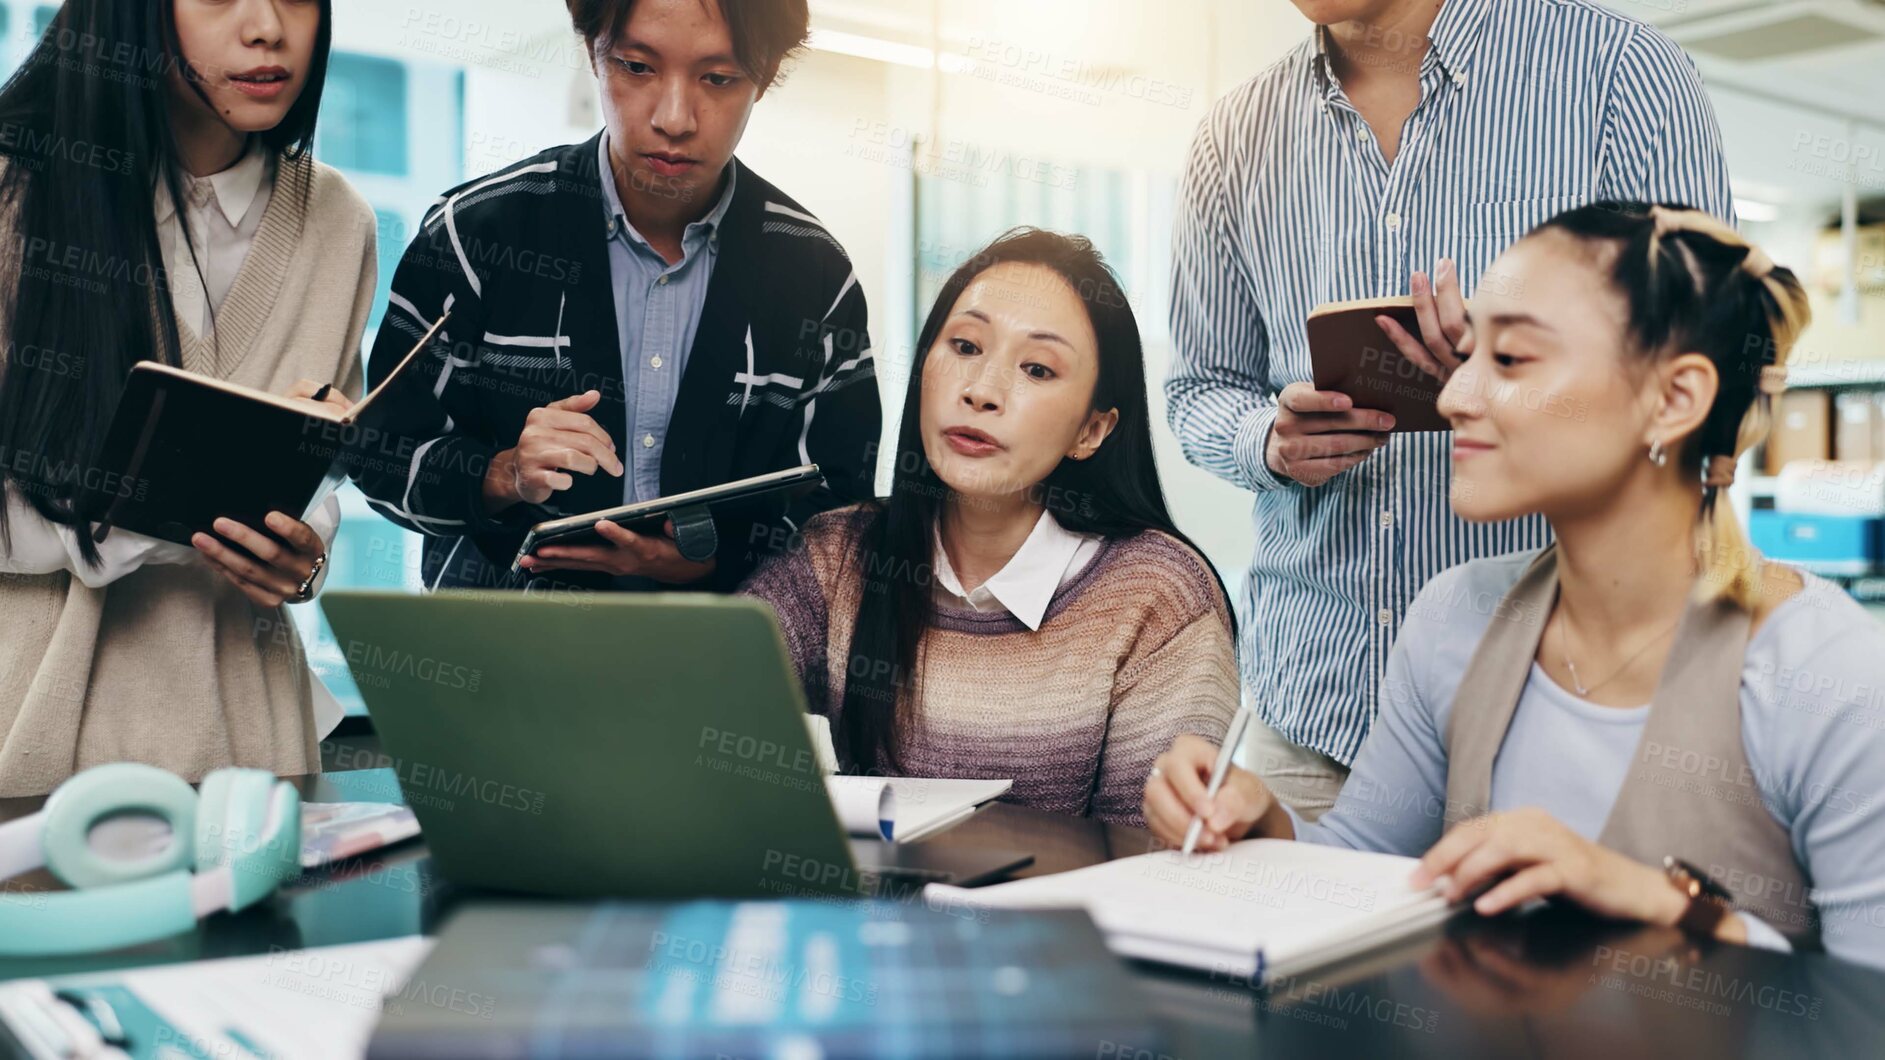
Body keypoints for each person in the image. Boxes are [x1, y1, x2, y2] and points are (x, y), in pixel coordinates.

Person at [1144, 203, 1885, 968]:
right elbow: (1361, 867)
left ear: (1672, 400)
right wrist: (1259, 822)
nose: (1452, 398)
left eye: (1510, 359)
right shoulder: (1453, 616)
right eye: (1470, 355)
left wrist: (1666, 908)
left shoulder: (1831, 678)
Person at [1166, 0, 1737, 818]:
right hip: (1314, 716)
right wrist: (1267, 441)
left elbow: (1709, 360)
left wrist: (1515, 368)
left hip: (1568, 711)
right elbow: (1198, 386)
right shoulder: (1231, 138)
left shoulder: (1619, 76)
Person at [354, 0, 879, 593]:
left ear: (764, 74)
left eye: (718, 78)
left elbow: (843, 507)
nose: (674, 119)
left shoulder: (815, 274)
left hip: (717, 648)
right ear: (593, 52)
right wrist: (503, 474)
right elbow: (379, 456)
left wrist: (714, 561)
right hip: (501, 642)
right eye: (637, 67)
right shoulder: (473, 235)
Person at [0, 0, 377, 795]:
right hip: (34, 758)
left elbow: (321, 469)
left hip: (256, 761)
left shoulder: (338, 219)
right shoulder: (17, 191)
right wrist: (154, 521)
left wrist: (299, 552)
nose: (267, 26)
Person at [742, 229, 1239, 825]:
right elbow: (695, 709)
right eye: (965, 346)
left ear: (1092, 431)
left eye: (1037, 368)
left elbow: (1156, 852)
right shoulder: (837, 556)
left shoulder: (1157, 596)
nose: (981, 392)